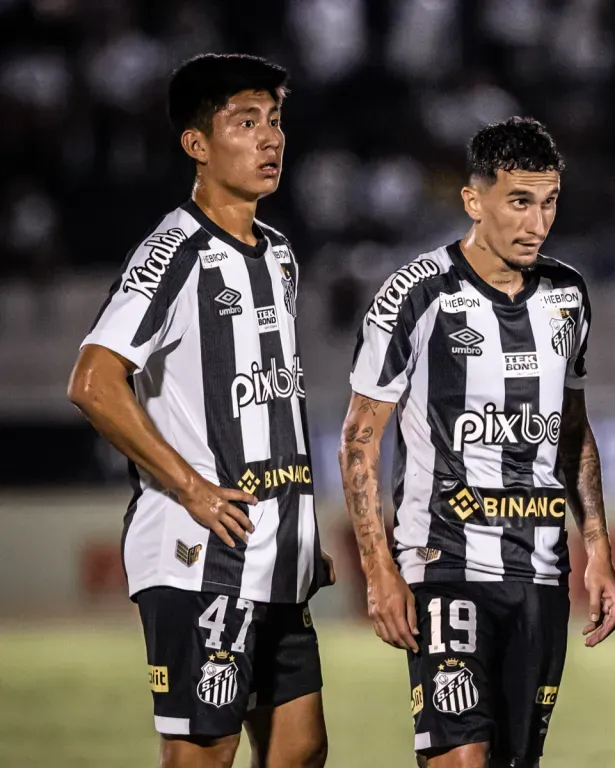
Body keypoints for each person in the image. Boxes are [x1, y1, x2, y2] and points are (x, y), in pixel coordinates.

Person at [67, 54, 334, 768]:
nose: (270, 139)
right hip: (199, 557)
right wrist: (191, 486)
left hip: (272, 555)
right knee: (202, 753)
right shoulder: (173, 251)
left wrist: (302, 534)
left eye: (275, 121)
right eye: (245, 123)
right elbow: (93, 382)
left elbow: (268, 396)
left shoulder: (278, 253)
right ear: (197, 144)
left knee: (301, 749)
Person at [340, 116, 615, 768]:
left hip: (541, 572)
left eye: (549, 202)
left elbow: (572, 432)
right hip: (446, 568)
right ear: (474, 201)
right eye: (520, 201)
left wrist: (599, 548)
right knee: (459, 760)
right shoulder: (414, 297)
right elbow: (359, 438)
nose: (537, 222)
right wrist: (379, 571)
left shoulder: (568, 296)